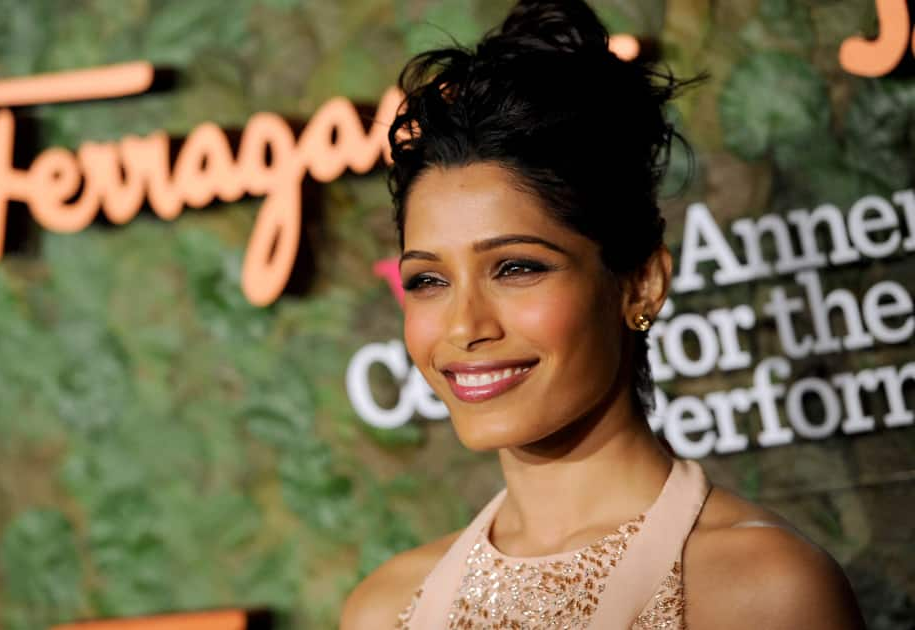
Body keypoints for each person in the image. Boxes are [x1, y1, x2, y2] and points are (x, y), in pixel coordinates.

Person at [341, 1, 866, 628]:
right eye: (428, 280)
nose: (463, 326)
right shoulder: (384, 608)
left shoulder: (761, 589)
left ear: (640, 283)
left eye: (516, 267)